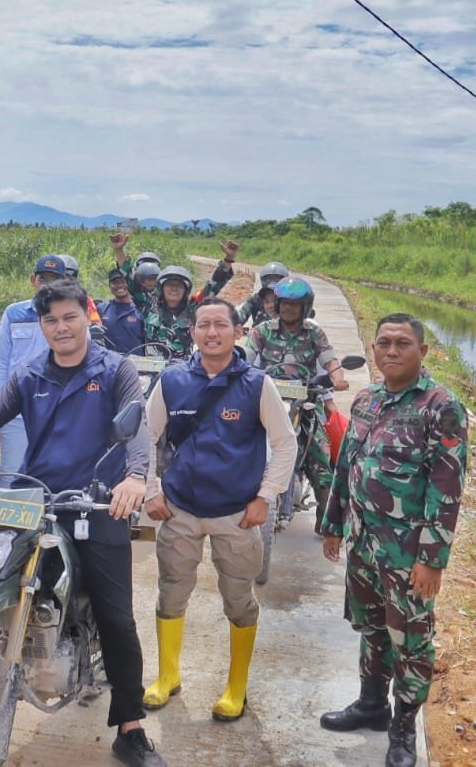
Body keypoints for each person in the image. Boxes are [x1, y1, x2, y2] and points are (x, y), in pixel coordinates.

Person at [0, 279, 166, 767]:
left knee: (116, 617)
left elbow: (136, 429)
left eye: (69, 317)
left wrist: (135, 478)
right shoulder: (30, 374)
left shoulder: (116, 371)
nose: (61, 327)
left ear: (86, 316)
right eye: (51, 320)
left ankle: (130, 726)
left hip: (96, 505)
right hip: (36, 500)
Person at [320, 313, 467, 767]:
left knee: (411, 640)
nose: (391, 351)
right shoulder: (366, 400)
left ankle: (403, 729)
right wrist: (333, 523)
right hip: (364, 544)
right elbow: (347, 465)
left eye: (403, 343)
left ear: (422, 352)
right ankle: (371, 704)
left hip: (407, 554)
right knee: (371, 627)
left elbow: (447, 487)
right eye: (383, 342)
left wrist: (432, 559)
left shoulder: (441, 407)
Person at [141, 298, 297, 721]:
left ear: (237, 332)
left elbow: (285, 443)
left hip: (236, 514)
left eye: (220, 325)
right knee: (172, 592)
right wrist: (150, 490)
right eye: (203, 325)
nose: (212, 333)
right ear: (192, 332)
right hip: (180, 510)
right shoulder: (171, 381)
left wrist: (266, 496)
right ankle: (167, 676)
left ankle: (236, 687)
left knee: (238, 599)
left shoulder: (256, 384)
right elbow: (143, 436)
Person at [245, 276, 349, 530]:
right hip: (267, 400)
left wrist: (337, 377)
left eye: (295, 304)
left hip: (306, 403)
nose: (289, 309)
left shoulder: (314, 331)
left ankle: (327, 522)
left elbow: (329, 358)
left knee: (321, 460)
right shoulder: (263, 330)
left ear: (305, 306)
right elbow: (246, 358)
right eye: (284, 304)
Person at [0, 255, 65, 475]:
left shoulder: (71, 316)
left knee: (56, 472)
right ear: (33, 280)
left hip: (59, 408)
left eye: (55, 279)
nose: (48, 285)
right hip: (17, 408)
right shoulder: (14, 313)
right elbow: (1, 360)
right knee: (12, 473)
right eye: (43, 278)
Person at [97, 267, 145, 354]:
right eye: (115, 282)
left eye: (123, 281)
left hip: (137, 364)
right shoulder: (102, 309)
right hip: (110, 364)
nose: (119, 285)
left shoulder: (141, 309)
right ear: (109, 286)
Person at [237, 261, 288, 327]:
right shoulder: (256, 299)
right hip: (258, 335)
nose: (272, 282)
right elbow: (241, 316)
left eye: (277, 279)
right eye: (269, 279)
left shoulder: (292, 300)